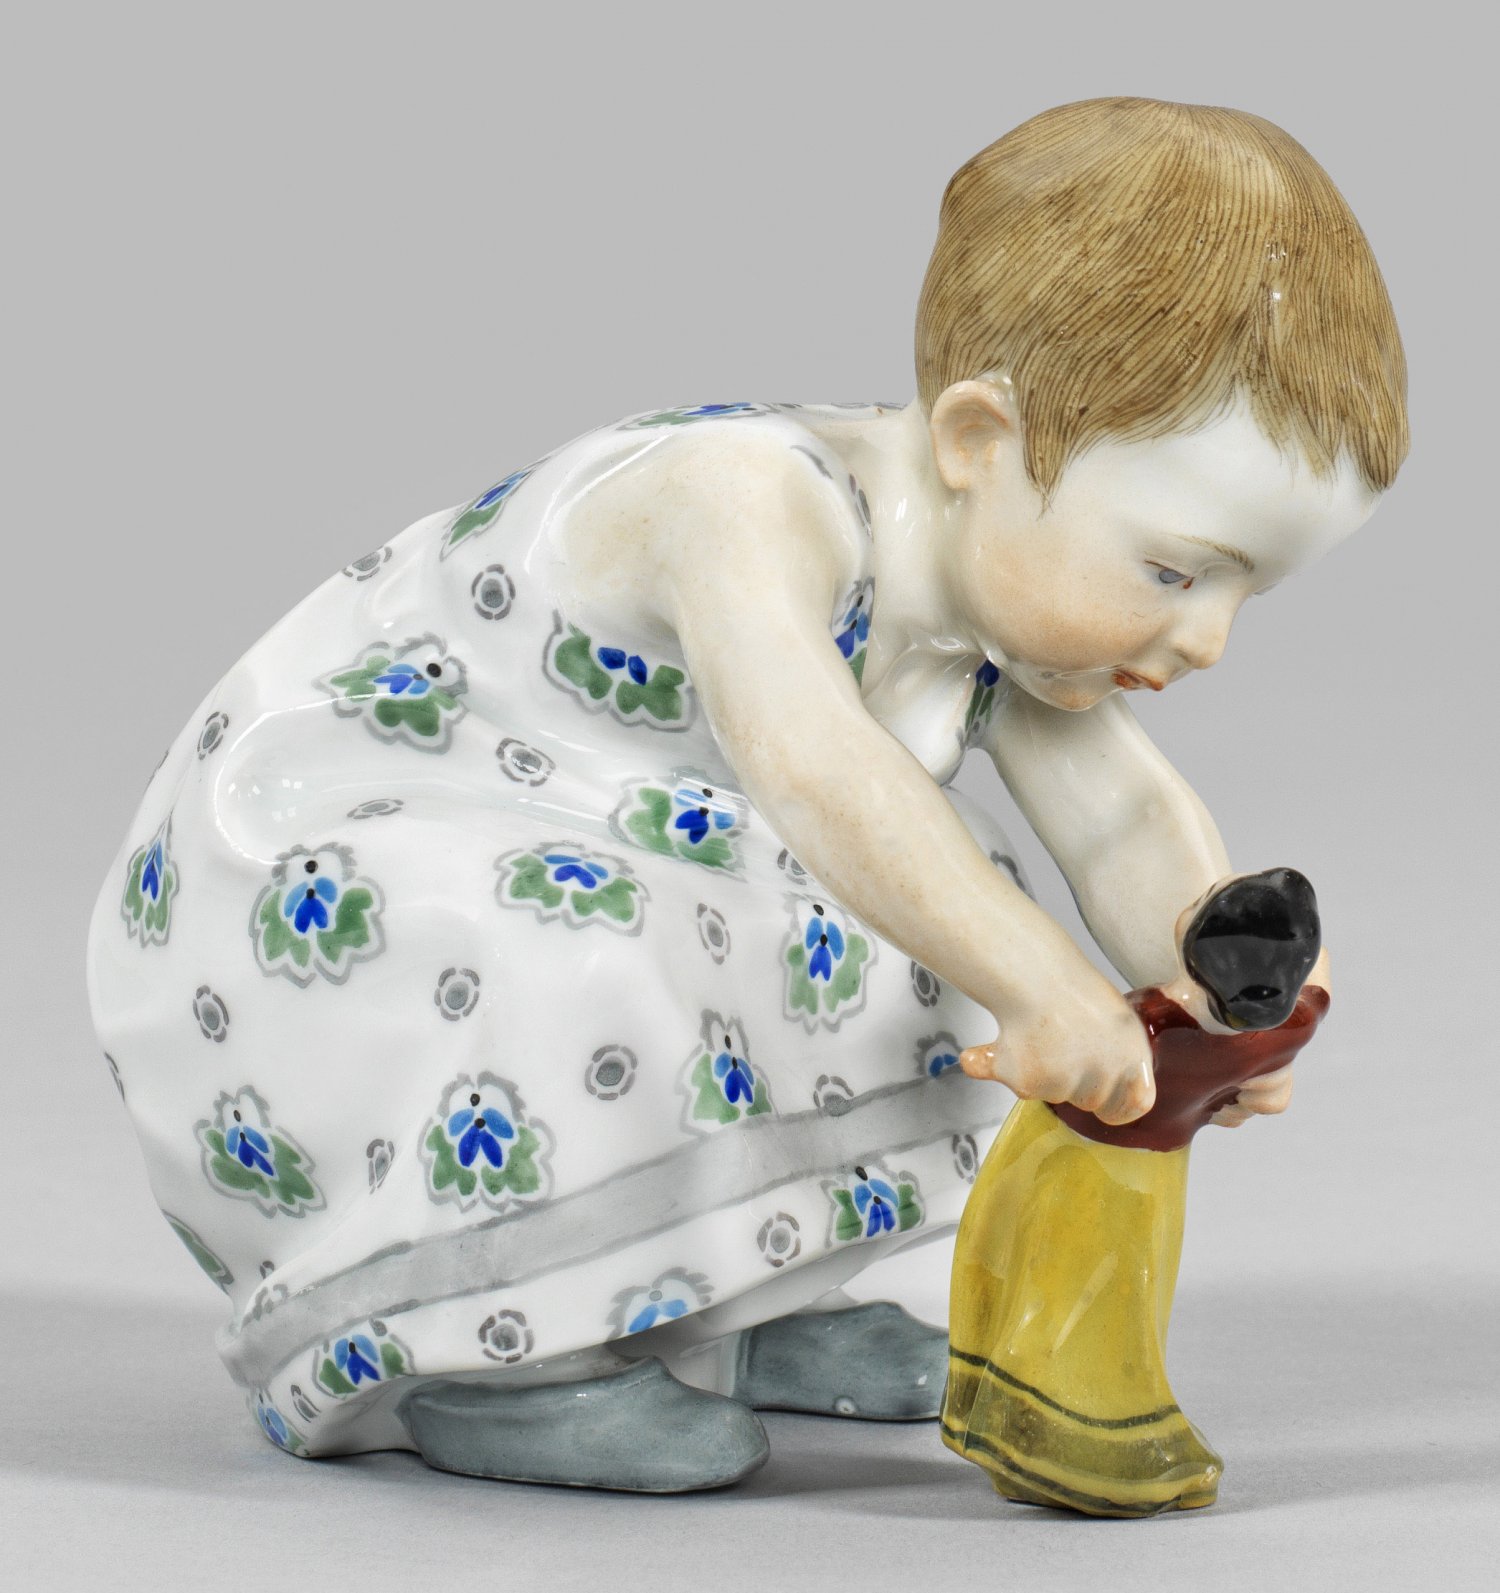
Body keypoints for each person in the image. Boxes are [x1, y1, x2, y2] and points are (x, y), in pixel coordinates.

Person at [86, 96, 1406, 1491]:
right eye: (1174, 571)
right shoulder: (745, 499)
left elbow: (1124, 816)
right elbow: (816, 768)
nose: (1206, 639)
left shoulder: (1005, 612)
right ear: (980, 439)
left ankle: (719, 1305)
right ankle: (489, 1358)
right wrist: (1043, 987)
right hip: (350, 877)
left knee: (923, 934)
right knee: (651, 943)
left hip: (628, 855)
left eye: (1246, 591)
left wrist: (1216, 987)